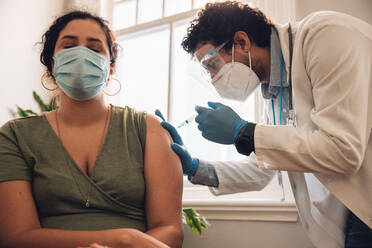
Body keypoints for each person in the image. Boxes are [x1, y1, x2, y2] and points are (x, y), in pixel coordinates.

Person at [156, 1, 372, 247]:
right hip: (348, 215)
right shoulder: (273, 90)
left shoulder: (324, 36)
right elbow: (263, 169)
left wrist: (244, 132)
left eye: (212, 66)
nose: (213, 79)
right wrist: (195, 167)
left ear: (242, 42)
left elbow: (343, 150)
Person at [0, 11, 184, 248]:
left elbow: (171, 231)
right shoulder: (15, 136)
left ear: (111, 68)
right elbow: (16, 237)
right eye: (68, 46)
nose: (81, 55)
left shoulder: (150, 130)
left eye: (95, 49)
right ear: (51, 64)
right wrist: (123, 238)